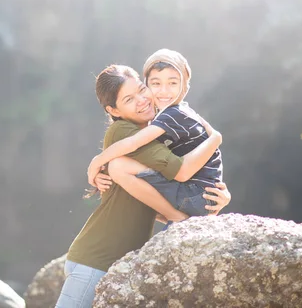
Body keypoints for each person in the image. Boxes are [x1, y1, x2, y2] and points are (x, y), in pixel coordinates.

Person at [55, 64, 230, 308]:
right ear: (113, 110)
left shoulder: (157, 131)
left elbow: (155, 198)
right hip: (96, 260)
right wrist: (216, 139)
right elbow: (181, 171)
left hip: (114, 263)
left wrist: (218, 197)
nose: (142, 100)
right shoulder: (124, 132)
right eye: (129, 99)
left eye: (141, 90)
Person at [87, 49, 222, 217]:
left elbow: (134, 142)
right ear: (147, 84)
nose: (163, 91)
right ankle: (176, 219)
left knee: (119, 166)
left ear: (184, 87)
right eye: (156, 84)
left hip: (196, 195)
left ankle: (176, 218)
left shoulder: (172, 115)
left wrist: (98, 161)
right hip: (203, 197)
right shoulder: (181, 112)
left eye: (172, 83)